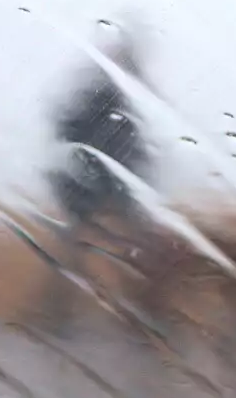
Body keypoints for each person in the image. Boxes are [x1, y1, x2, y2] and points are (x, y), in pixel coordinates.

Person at [40, 22, 153, 333]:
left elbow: (133, 145)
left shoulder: (122, 95)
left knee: (133, 243)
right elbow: (72, 129)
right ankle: (57, 312)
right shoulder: (99, 92)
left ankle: (136, 312)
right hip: (85, 182)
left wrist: (142, 179)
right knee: (79, 246)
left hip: (109, 183)